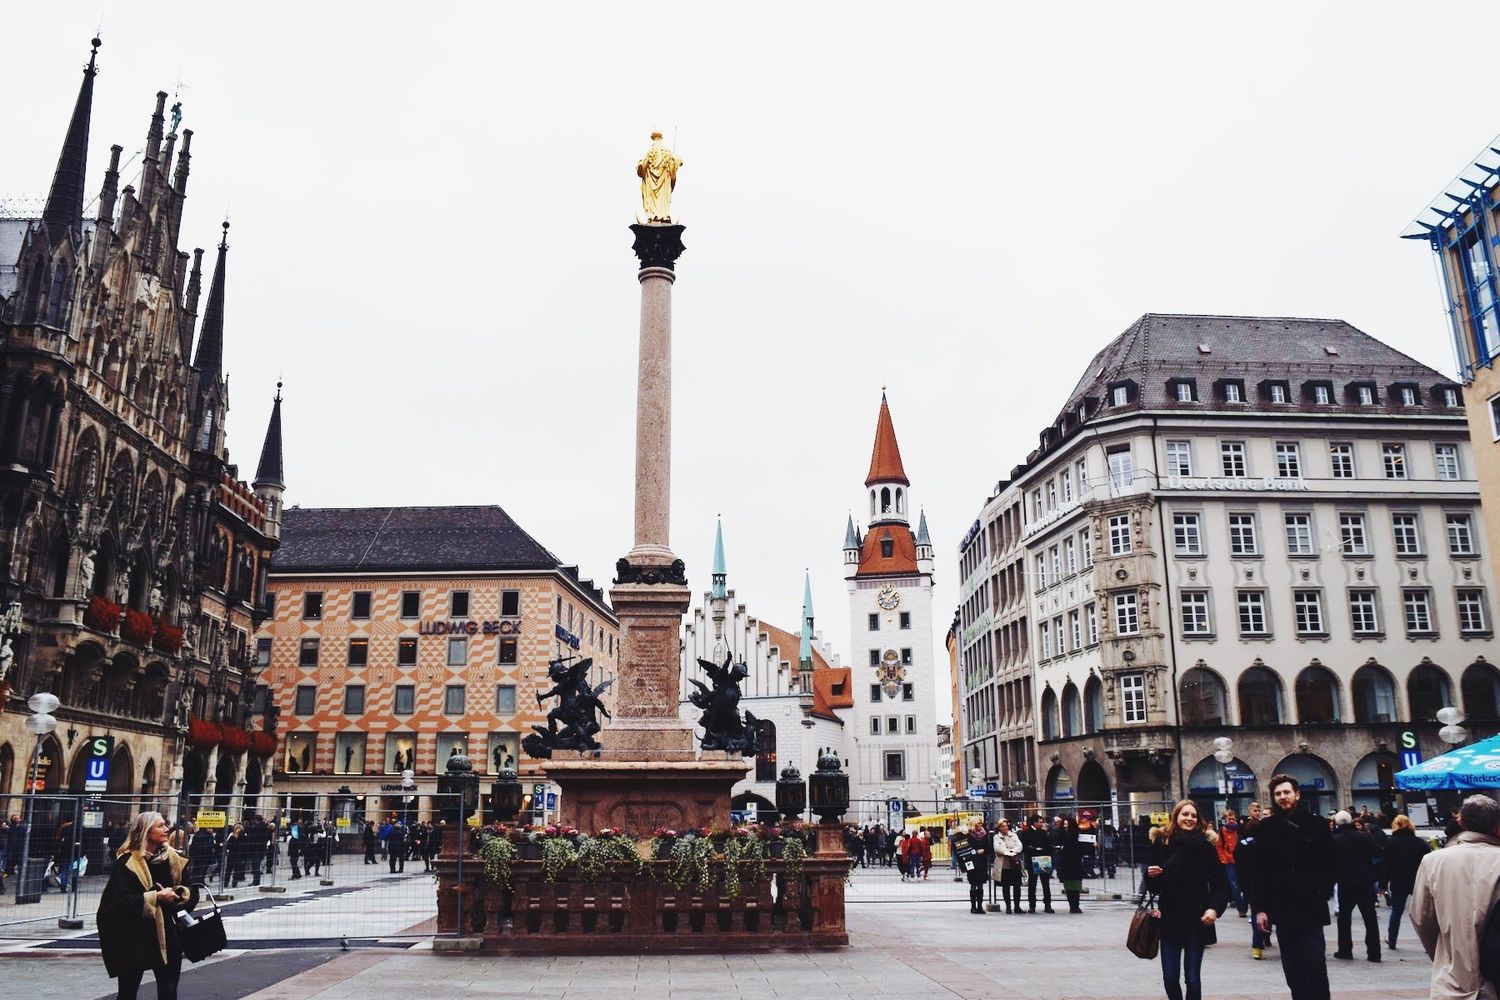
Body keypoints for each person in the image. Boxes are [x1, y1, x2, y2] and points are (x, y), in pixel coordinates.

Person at [97, 811, 199, 1000]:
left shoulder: (175, 860)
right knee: (128, 992)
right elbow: (116, 903)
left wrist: (179, 895)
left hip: (168, 936)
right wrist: (155, 897)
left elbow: (192, 891)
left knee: (169, 990)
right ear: (146, 831)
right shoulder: (127, 863)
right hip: (135, 937)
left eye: (165, 825)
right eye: (160, 825)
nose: (166, 829)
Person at [1251, 774, 1335, 1000]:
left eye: (1286, 792)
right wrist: (1260, 908)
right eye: (1278, 794)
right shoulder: (1266, 827)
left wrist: (1322, 891)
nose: (1282, 797)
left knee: (1315, 961)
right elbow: (1260, 871)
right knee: (1292, 965)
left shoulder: (1317, 825)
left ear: (1296, 794)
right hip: (1283, 908)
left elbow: (1330, 863)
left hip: (1311, 906)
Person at [1411, 793, 1500, 1000]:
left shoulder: (1433, 861)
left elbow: (1421, 918)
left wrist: (1445, 954)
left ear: (1460, 821)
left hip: (1450, 982)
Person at [1146, 800, 1229, 1000]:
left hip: (1196, 920)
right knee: (1170, 978)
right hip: (1170, 920)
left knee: (1192, 978)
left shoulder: (1205, 847)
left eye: (1193, 815)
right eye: (1185, 814)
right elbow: (1154, 887)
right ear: (1176, 817)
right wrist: (1151, 876)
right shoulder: (1163, 843)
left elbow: (1221, 884)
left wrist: (1214, 909)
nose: (1189, 819)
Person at [1330, 810, 1381, 963]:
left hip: (1346, 883)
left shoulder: (1335, 840)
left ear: (1338, 824)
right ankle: (1374, 952)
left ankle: (1345, 949)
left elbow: (1330, 864)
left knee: (1344, 918)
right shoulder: (1364, 837)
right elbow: (1377, 853)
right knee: (1370, 917)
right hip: (1365, 881)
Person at [1379, 814, 1429, 951]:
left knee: (1396, 911)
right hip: (1417, 880)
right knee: (1423, 913)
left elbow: (1386, 865)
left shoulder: (1391, 842)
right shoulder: (1419, 842)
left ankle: (1392, 939)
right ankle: (1428, 942)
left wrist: (1382, 884)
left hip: (1398, 880)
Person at [1020, 814, 1054, 913]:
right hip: (1032, 860)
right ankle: (1032, 905)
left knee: (1045, 883)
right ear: (1035, 822)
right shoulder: (1025, 833)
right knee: (1032, 883)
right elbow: (1024, 847)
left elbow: (1048, 845)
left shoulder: (1043, 833)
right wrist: (1030, 849)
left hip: (1043, 860)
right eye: (1040, 822)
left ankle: (1048, 904)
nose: (1042, 824)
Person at [991, 817, 1024, 914]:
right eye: (1003, 826)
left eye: (1006, 826)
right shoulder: (996, 837)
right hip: (1004, 865)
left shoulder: (1013, 835)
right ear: (999, 828)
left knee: (1017, 886)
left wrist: (1013, 851)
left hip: (1014, 863)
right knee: (1006, 887)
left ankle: (1017, 906)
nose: (1005, 828)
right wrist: (1007, 852)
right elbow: (997, 848)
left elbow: (1019, 846)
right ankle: (1008, 906)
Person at [957, 820, 991, 915]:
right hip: (971, 862)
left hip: (982, 862)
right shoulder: (968, 836)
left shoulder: (984, 835)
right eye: (978, 823)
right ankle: (973, 906)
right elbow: (962, 850)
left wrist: (983, 850)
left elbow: (989, 849)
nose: (981, 825)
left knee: (980, 884)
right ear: (974, 825)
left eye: (981, 823)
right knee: (973, 884)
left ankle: (980, 906)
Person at [1216, 808, 1245, 916]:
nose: (1231, 821)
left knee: (1244, 884)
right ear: (1226, 819)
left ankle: (1244, 905)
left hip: (1241, 860)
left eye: (1233, 819)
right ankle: (1241, 909)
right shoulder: (1222, 831)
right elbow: (1219, 846)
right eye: (1229, 819)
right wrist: (1223, 858)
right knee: (1235, 886)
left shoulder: (1240, 829)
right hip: (1229, 861)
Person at [1054, 814, 1086, 913]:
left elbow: (1082, 846)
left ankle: (1076, 905)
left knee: (1076, 885)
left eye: (1067, 824)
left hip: (1075, 862)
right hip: (1065, 863)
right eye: (1064, 824)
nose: (1065, 826)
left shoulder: (1077, 835)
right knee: (1068, 886)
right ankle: (1072, 905)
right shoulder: (1061, 834)